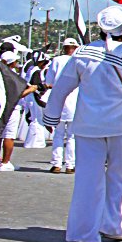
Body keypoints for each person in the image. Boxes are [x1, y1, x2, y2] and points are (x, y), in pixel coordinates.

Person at [43, 6, 122, 242]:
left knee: (88, 178)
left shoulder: (82, 53)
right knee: (119, 175)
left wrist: (51, 118)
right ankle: (116, 226)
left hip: (88, 126)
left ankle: (83, 232)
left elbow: (61, 88)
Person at [44, 38, 80, 173]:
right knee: (72, 136)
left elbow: (49, 82)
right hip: (75, 101)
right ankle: (70, 165)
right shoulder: (78, 60)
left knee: (58, 134)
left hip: (59, 101)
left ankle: (56, 164)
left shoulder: (56, 60)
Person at [0, 51, 37, 172]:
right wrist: (32, 89)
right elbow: (17, 95)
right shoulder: (11, 76)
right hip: (13, 108)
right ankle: (5, 162)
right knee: (9, 136)